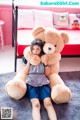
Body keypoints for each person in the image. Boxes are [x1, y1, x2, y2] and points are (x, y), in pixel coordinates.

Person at [24, 39, 57, 120]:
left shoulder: (44, 59)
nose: (35, 51)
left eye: (38, 49)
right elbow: (25, 72)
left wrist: (45, 64)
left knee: (48, 104)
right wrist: (29, 61)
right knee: (36, 105)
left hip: (43, 83)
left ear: (41, 49)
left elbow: (47, 74)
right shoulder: (28, 58)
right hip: (32, 84)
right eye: (33, 49)